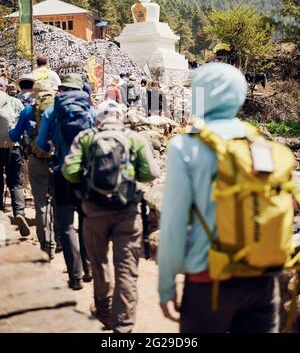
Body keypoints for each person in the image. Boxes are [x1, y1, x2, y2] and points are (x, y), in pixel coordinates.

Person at [158, 63, 281, 333]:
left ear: (199, 94)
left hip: (209, 279)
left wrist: (166, 286)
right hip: (262, 278)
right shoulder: (258, 141)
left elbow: (173, 225)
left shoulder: (187, 145)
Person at [62, 100, 160, 333]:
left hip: (93, 212)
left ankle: (104, 311)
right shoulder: (134, 138)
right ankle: (123, 326)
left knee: (100, 263)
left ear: (98, 118)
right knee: (126, 268)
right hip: (127, 212)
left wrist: (88, 183)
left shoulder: (86, 137)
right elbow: (152, 173)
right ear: (121, 116)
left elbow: (69, 170)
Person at [36, 74, 93, 289]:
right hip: (86, 173)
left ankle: (75, 276)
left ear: (61, 89)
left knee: (67, 225)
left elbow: (41, 143)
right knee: (86, 221)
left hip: (61, 172)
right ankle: (89, 268)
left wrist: (54, 148)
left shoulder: (52, 111)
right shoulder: (90, 111)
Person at [9, 81, 57, 258]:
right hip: (59, 161)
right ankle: (60, 240)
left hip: (37, 160)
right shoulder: (60, 109)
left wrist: (11, 129)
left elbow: (14, 135)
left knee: (41, 205)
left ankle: (47, 246)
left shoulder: (28, 110)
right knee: (59, 202)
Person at [0, 78, 30, 236]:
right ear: (5, 87)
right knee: (16, 183)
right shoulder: (15, 102)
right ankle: (19, 213)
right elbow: (24, 126)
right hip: (13, 146)